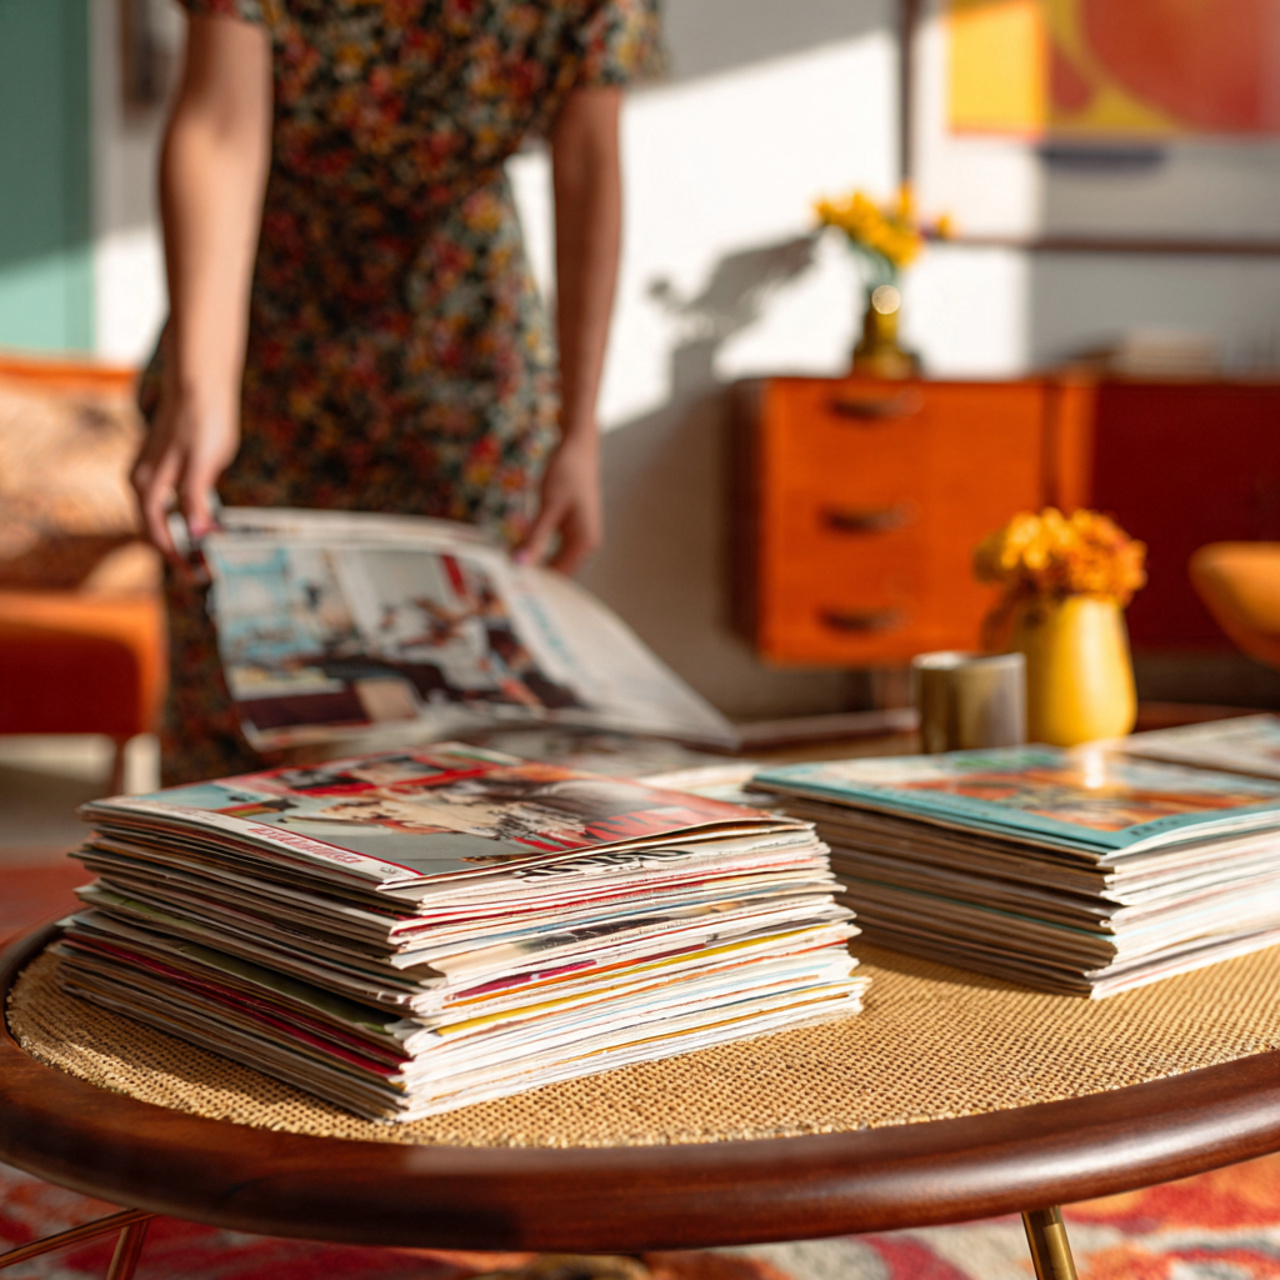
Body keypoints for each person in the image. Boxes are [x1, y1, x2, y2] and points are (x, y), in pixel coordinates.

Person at [130, 0, 662, 785]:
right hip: (264, 349)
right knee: (236, 716)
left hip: (467, 362)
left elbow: (588, 169)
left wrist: (578, 433)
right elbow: (220, 129)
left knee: (464, 730)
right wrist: (200, 388)